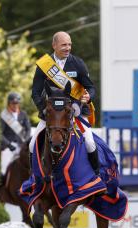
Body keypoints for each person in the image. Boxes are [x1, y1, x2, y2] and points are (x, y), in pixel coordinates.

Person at [30, 31, 100, 174]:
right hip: (52, 113)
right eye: (63, 45)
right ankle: (34, 179)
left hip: (76, 110)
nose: (67, 48)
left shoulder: (78, 63)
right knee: (32, 145)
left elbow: (91, 87)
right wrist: (44, 109)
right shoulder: (44, 65)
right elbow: (35, 92)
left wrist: (89, 97)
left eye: (69, 45)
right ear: (54, 45)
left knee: (90, 143)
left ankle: (97, 176)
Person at [0, 92, 31, 176]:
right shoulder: (4, 115)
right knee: (4, 168)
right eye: (13, 103)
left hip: (21, 145)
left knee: (30, 164)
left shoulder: (23, 114)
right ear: (9, 103)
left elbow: (28, 129)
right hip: (8, 147)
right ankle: (1, 186)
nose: (15, 105)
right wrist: (9, 145)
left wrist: (26, 140)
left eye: (17, 103)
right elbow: (0, 133)